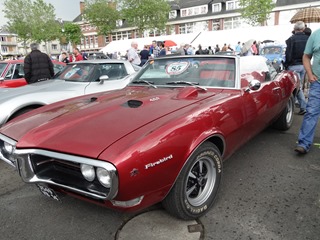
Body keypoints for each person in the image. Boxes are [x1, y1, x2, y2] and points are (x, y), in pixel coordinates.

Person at [294, 26, 320, 154]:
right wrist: (310, 74)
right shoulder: (315, 35)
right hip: (318, 82)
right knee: (311, 112)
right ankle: (304, 143)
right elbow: (306, 56)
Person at [285, 21, 309, 115]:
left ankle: (303, 106)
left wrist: (287, 64)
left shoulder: (291, 39)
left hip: (294, 65)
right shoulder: (308, 39)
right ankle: (296, 104)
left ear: (294, 29)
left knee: (296, 87)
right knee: (299, 86)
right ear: (303, 29)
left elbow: (288, 54)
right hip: (304, 65)